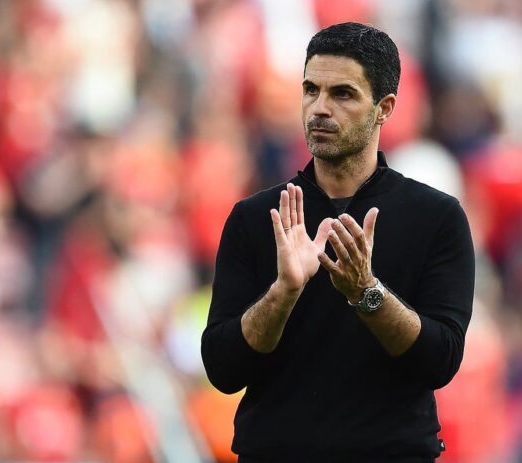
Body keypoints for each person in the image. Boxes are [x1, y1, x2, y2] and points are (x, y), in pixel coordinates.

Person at [201, 22, 475, 462]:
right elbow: (223, 369)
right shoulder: (256, 217)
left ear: (384, 108)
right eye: (311, 90)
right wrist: (283, 293)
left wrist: (366, 293)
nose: (319, 108)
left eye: (343, 94)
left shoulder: (436, 218)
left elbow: (439, 361)